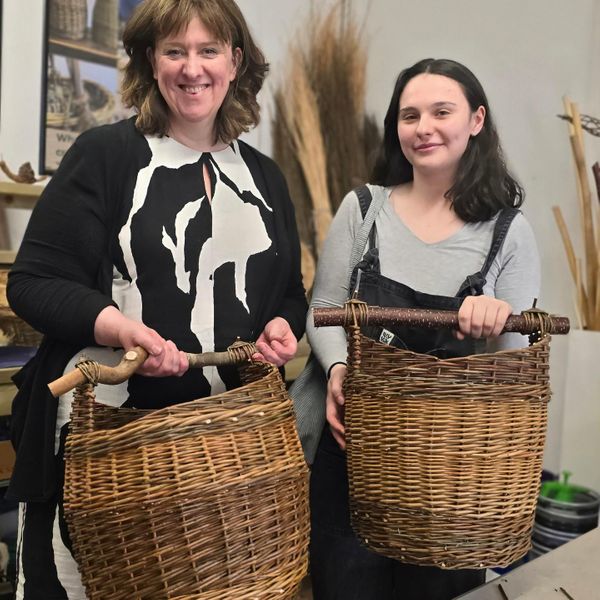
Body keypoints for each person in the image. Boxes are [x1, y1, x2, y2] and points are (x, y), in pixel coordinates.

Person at [6, 1, 307, 598]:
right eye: (174, 51)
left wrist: (280, 324)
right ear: (151, 61)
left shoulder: (265, 178)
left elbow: (289, 294)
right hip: (106, 448)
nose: (191, 69)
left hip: (221, 460)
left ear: (235, 61)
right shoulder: (107, 156)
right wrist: (124, 330)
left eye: (208, 50)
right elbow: (33, 283)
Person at [305, 58, 540, 600]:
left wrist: (498, 322)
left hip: (453, 477)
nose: (423, 127)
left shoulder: (510, 232)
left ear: (476, 120)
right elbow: (323, 308)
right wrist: (339, 368)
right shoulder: (362, 210)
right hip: (354, 456)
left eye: (441, 111)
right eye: (409, 115)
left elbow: (517, 363)